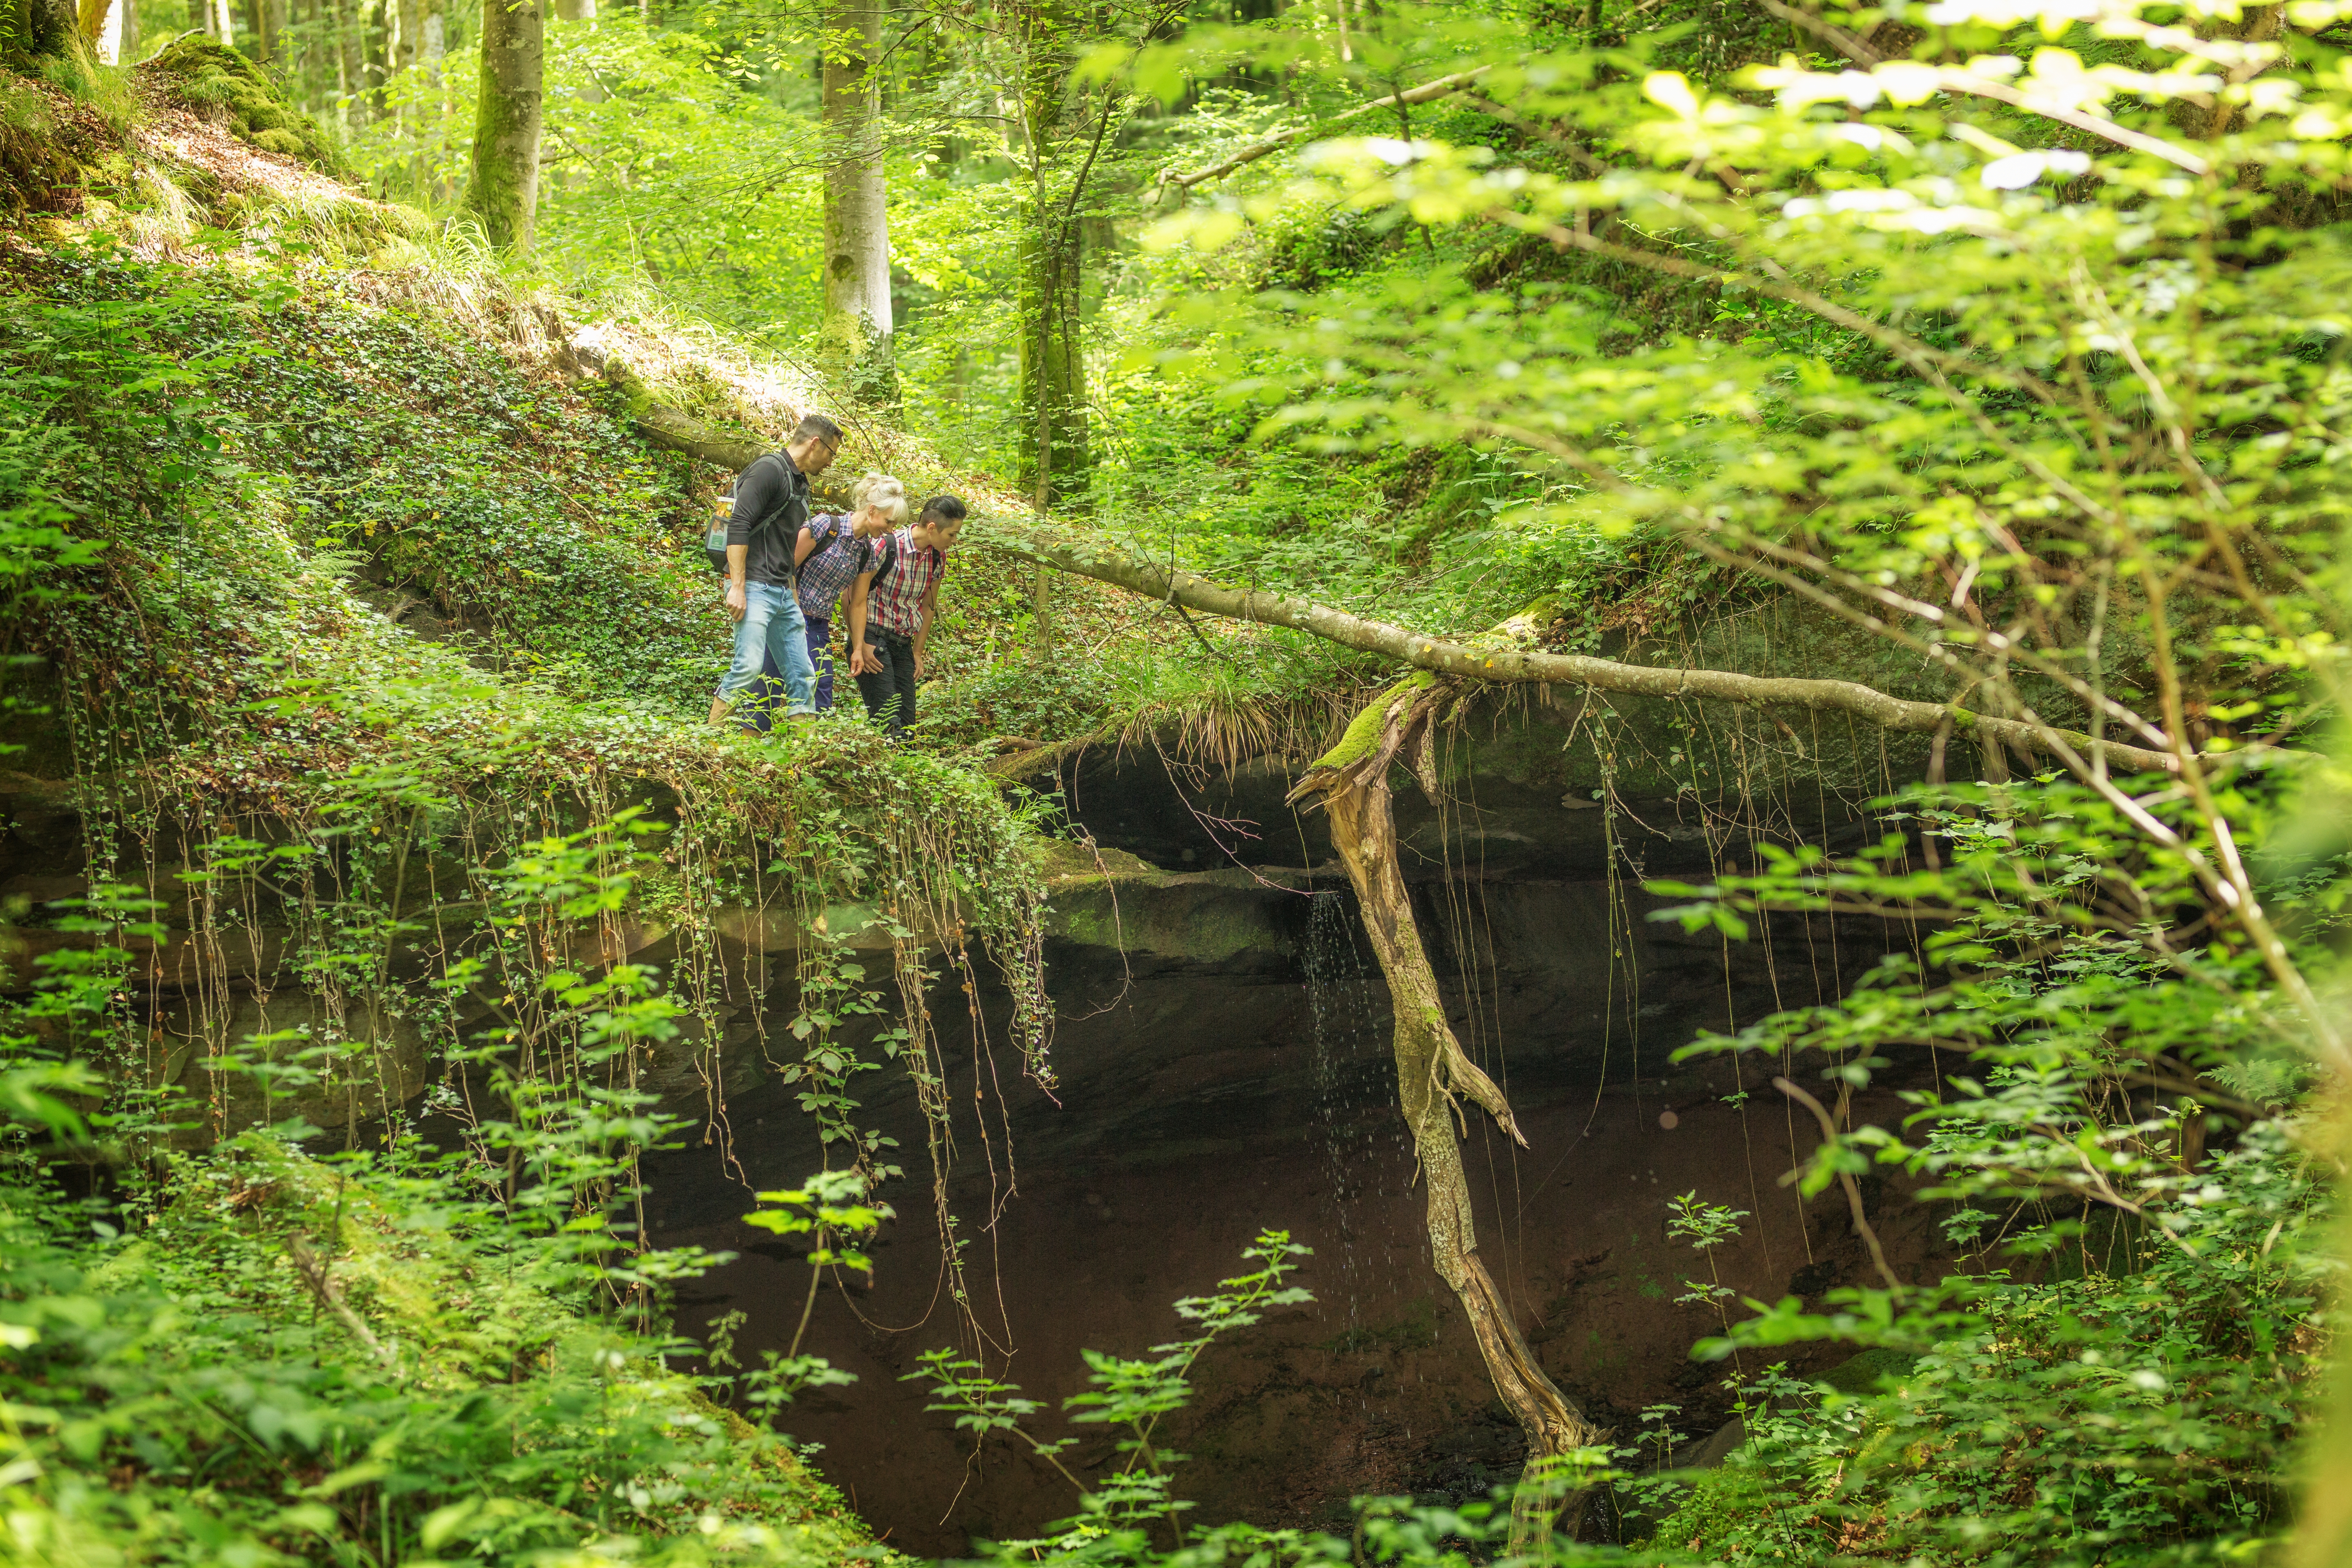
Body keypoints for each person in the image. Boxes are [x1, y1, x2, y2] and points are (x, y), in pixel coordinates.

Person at [707, 412, 841, 731]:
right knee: (749, 666)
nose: (831, 463)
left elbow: (783, 546)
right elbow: (739, 524)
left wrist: (793, 597)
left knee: (802, 675)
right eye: (831, 453)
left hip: (782, 592)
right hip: (753, 585)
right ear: (814, 444)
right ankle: (706, 743)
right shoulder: (768, 470)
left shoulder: (799, 483)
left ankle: (805, 756)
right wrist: (737, 587)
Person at [781, 473, 907, 716]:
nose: (891, 530)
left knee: (821, 689)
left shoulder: (867, 550)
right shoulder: (825, 527)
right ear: (872, 510)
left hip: (818, 625)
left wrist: (858, 648)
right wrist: (794, 610)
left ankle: (810, 749)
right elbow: (785, 568)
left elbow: (858, 603)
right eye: (889, 521)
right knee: (769, 683)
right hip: (786, 614)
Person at [846, 494, 965, 739]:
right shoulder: (886, 546)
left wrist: (918, 652)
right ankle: (883, 776)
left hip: (903, 644)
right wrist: (859, 646)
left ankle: (905, 775)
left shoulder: (937, 558)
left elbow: (928, 606)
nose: (955, 541)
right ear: (932, 528)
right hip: (872, 637)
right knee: (888, 723)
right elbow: (851, 597)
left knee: (908, 725)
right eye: (951, 535)